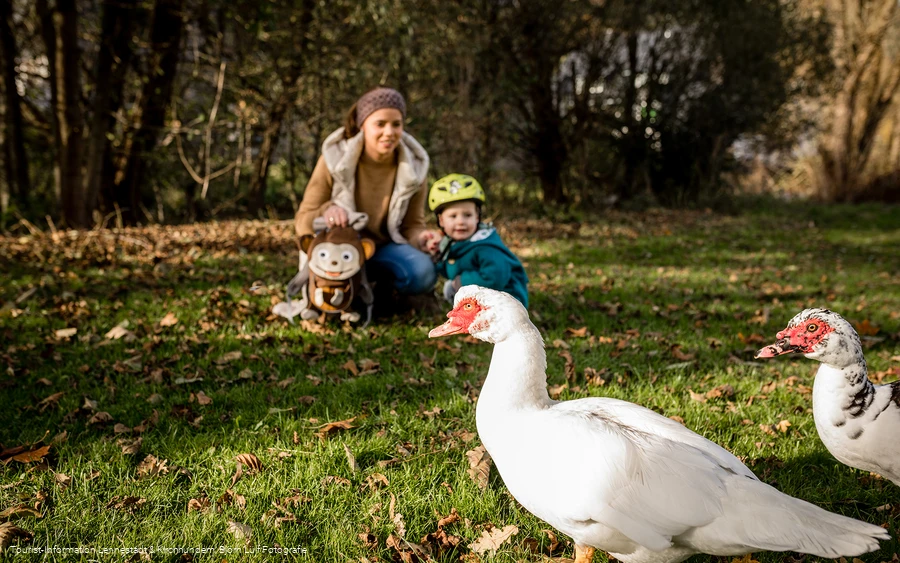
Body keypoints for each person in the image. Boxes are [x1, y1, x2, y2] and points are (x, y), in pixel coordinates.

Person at [294, 87, 439, 301]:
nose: (389, 132)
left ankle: (377, 294)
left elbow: (412, 225)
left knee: (423, 272)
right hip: (343, 250)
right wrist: (328, 210)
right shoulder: (333, 160)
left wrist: (422, 239)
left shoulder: (415, 168)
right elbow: (301, 222)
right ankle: (350, 294)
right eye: (380, 124)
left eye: (396, 124)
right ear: (363, 125)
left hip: (385, 249)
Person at [426, 174, 529, 307]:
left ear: (477, 217)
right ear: (441, 221)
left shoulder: (486, 246)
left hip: (507, 303)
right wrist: (437, 258)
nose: (461, 222)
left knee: (453, 287)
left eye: (467, 215)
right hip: (484, 297)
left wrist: (460, 282)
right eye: (453, 216)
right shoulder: (453, 243)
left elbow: (495, 278)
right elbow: (452, 268)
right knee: (450, 287)